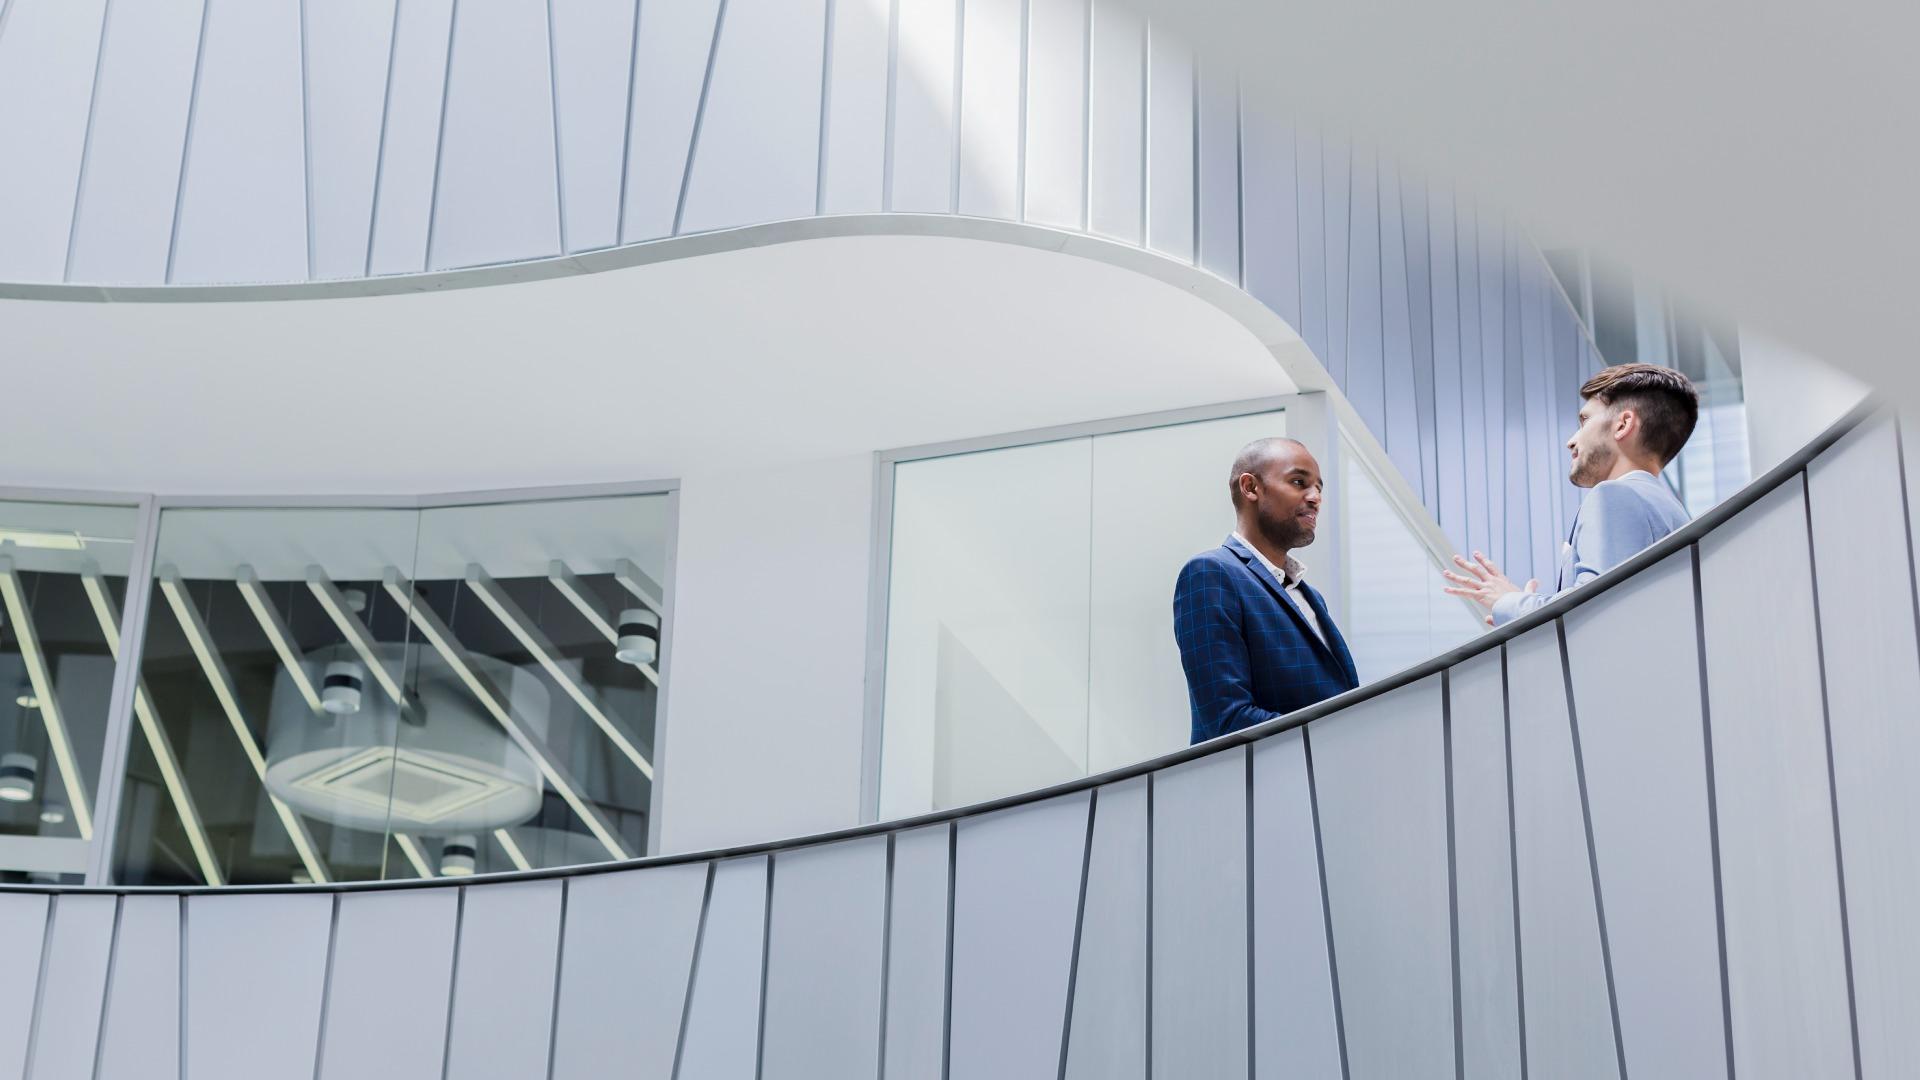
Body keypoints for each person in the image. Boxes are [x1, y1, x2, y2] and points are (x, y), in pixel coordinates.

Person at [1443, 363, 1697, 625]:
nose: (1572, 440)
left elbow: (1592, 609)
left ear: (1622, 424)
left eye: (1585, 419)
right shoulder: (1675, 514)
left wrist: (1507, 602)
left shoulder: (1614, 496)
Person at [1173, 437, 1359, 744]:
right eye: (1299, 482)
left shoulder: (1312, 598)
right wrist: (1335, 740)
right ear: (1250, 488)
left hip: (1329, 781)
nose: (1315, 497)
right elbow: (1227, 719)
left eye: (1319, 488)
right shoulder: (1211, 573)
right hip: (1257, 785)